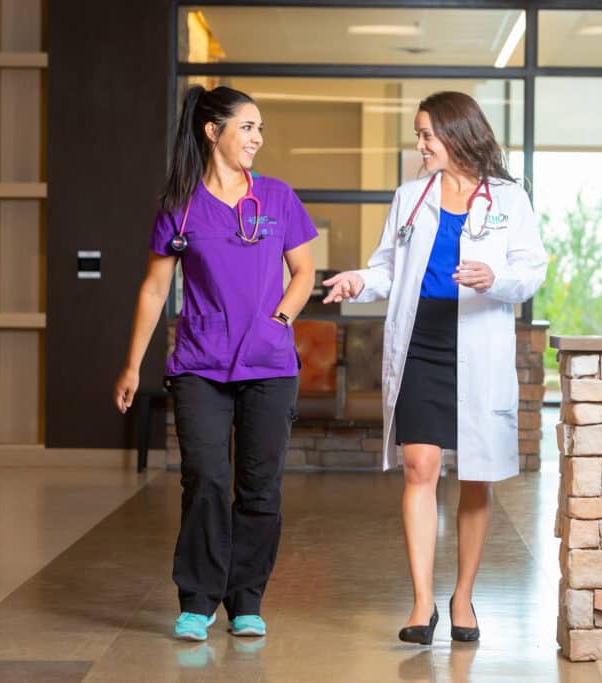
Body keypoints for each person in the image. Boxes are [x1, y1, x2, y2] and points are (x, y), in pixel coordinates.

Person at [322, 91, 546, 645]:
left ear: (456, 134)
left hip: (476, 342)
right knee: (420, 468)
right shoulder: (409, 198)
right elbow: (387, 270)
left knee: (475, 476)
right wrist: (358, 281)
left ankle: (463, 596)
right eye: (418, 135)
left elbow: (531, 272)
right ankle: (422, 603)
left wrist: (494, 280)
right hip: (421, 342)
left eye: (427, 135)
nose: (419, 145)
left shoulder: (509, 200)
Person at [113, 85, 316, 642]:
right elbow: (155, 290)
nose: (257, 138)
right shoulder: (180, 207)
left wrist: (278, 321)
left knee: (260, 487)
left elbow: (304, 273)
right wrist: (133, 366)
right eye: (247, 127)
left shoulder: (276, 198)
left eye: (260, 129)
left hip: (270, 367)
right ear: (213, 131)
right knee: (204, 478)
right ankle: (198, 600)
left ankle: (246, 599)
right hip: (200, 364)